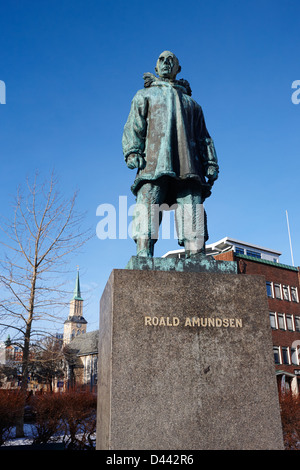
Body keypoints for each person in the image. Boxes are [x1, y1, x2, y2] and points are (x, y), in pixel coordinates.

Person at [122, 51, 219, 257]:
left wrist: (210, 161)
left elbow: (203, 136)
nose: (166, 63)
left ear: (178, 69)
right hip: (154, 161)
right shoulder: (144, 95)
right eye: (162, 60)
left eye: (171, 60)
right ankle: (144, 250)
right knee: (149, 200)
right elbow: (134, 126)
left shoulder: (192, 104)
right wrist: (133, 151)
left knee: (191, 202)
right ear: (156, 67)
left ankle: (195, 252)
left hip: (189, 163)